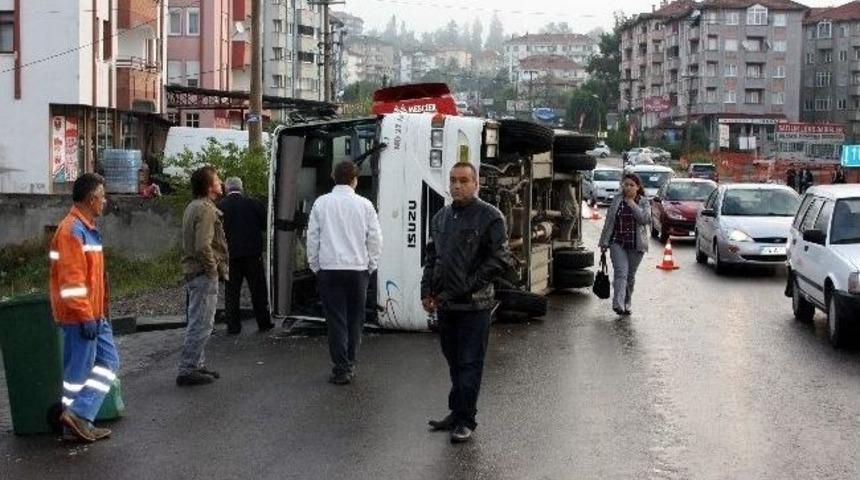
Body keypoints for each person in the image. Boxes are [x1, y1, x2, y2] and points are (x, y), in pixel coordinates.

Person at [421, 162, 512, 444]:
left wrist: (469, 284)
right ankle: (456, 411)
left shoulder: (490, 217)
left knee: (470, 363)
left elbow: (501, 259)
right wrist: (427, 291)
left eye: (463, 180)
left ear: (476, 184)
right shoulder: (441, 217)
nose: (457, 185)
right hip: (446, 306)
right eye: (453, 180)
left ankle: (465, 420)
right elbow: (432, 257)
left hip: (475, 306)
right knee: (454, 362)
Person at [49, 173, 120, 443]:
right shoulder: (72, 231)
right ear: (91, 200)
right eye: (102, 197)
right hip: (81, 316)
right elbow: (72, 282)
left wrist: (97, 311)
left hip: (93, 314)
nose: (104, 202)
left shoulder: (85, 228)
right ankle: (76, 422)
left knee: (108, 362)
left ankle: (79, 417)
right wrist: (84, 314)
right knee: (77, 375)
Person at [306, 161, 382, 385]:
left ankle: (341, 368)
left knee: (336, 319)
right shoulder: (365, 205)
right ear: (355, 179)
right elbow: (375, 238)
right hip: (357, 269)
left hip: (329, 269)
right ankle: (350, 362)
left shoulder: (321, 203)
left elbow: (313, 237)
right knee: (355, 319)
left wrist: (315, 266)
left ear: (332, 176)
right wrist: (371, 265)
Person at [177, 166, 228, 386]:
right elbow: (203, 246)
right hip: (202, 273)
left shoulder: (193, 206)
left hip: (193, 272)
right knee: (202, 323)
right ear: (209, 187)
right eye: (217, 180)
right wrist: (213, 269)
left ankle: (197, 364)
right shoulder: (206, 209)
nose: (221, 182)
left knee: (199, 319)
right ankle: (188, 368)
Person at [217, 177, 274, 335]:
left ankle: (233, 326)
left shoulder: (220, 207)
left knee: (232, 292)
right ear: (241, 188)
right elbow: (265, 225)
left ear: (227, 189)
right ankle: (263, 322)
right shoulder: (254, 204)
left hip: (230, 256)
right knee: (258, 290)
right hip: (252, 254)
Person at [598, 173, 651, 316]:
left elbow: (645, 219)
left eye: (631, 185)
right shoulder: (617, 200)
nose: (628, 187)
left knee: (630, 276)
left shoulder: (644, 202)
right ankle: (618, 304)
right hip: (618, 243)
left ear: (638, 187)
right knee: (621, 272)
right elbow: (609, 222)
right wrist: (604, 242)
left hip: (636, 245)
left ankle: (627, 302)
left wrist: (632, 204)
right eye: (625, 185)